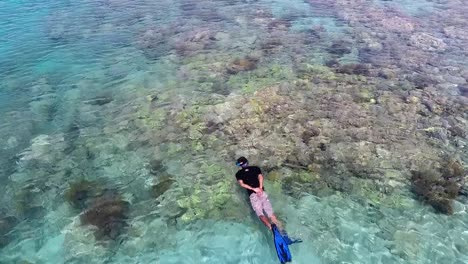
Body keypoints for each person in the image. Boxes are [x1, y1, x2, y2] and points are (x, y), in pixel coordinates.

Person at [235, 156, 282, 230]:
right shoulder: (256, 168)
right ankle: (281, 229)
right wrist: (260, 188)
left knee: (260, 214)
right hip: (262, 192)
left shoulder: (238, 173)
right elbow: (261, 177)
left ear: (240, 165)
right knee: (270, 213)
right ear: (247, 162)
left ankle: (270, 228)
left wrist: (254, 189)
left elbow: (242, 184)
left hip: (253, 195)